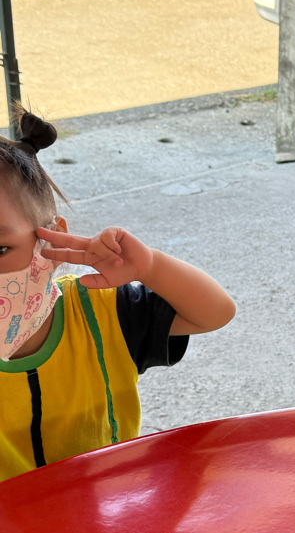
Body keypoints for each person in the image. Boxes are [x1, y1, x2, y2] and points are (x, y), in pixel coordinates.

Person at [0, 108, 236, 483]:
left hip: (108, 509)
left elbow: (216, 312)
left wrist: (151, 267)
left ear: (52, 241)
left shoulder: (102, 312)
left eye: (0, 250)